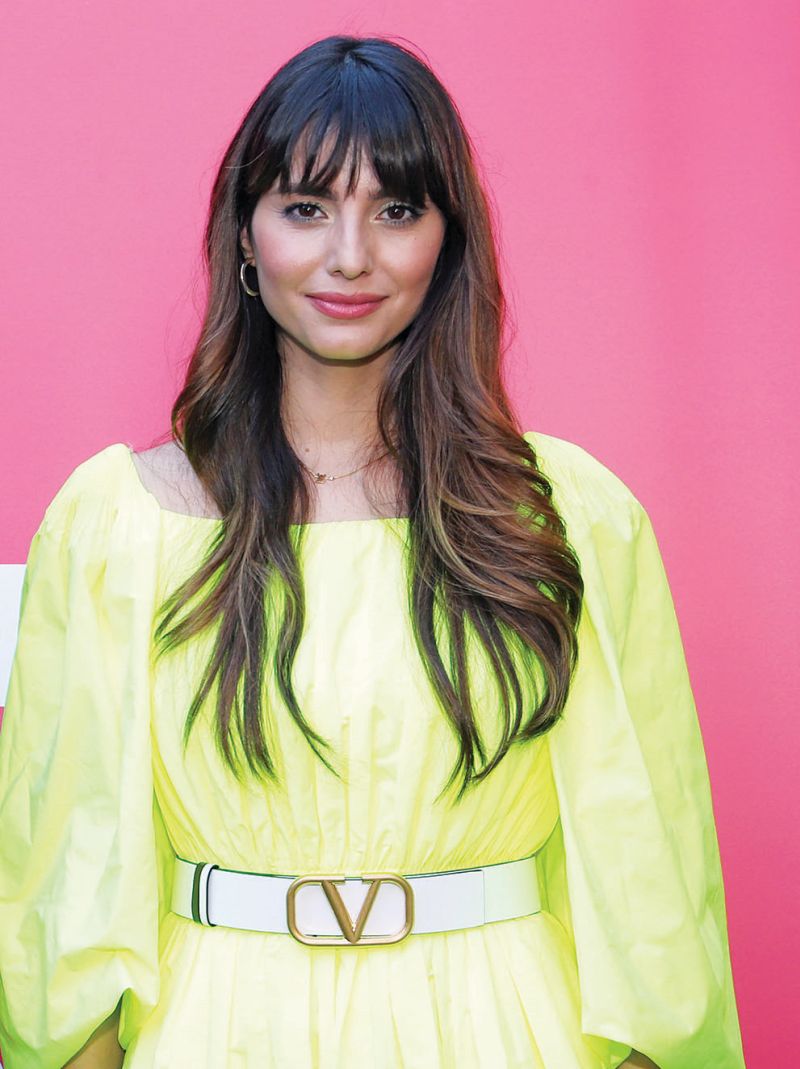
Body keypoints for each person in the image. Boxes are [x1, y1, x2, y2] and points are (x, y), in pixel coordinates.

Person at [0, 34, 745, 1069]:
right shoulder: (117, 525)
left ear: (448, 240)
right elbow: (66, 904)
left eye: (396, 210)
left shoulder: (569, 518)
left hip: (505, 1032)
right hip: (222, 1033)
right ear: (245, 235)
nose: (350, 255)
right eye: (306, 207)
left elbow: (645, 884)